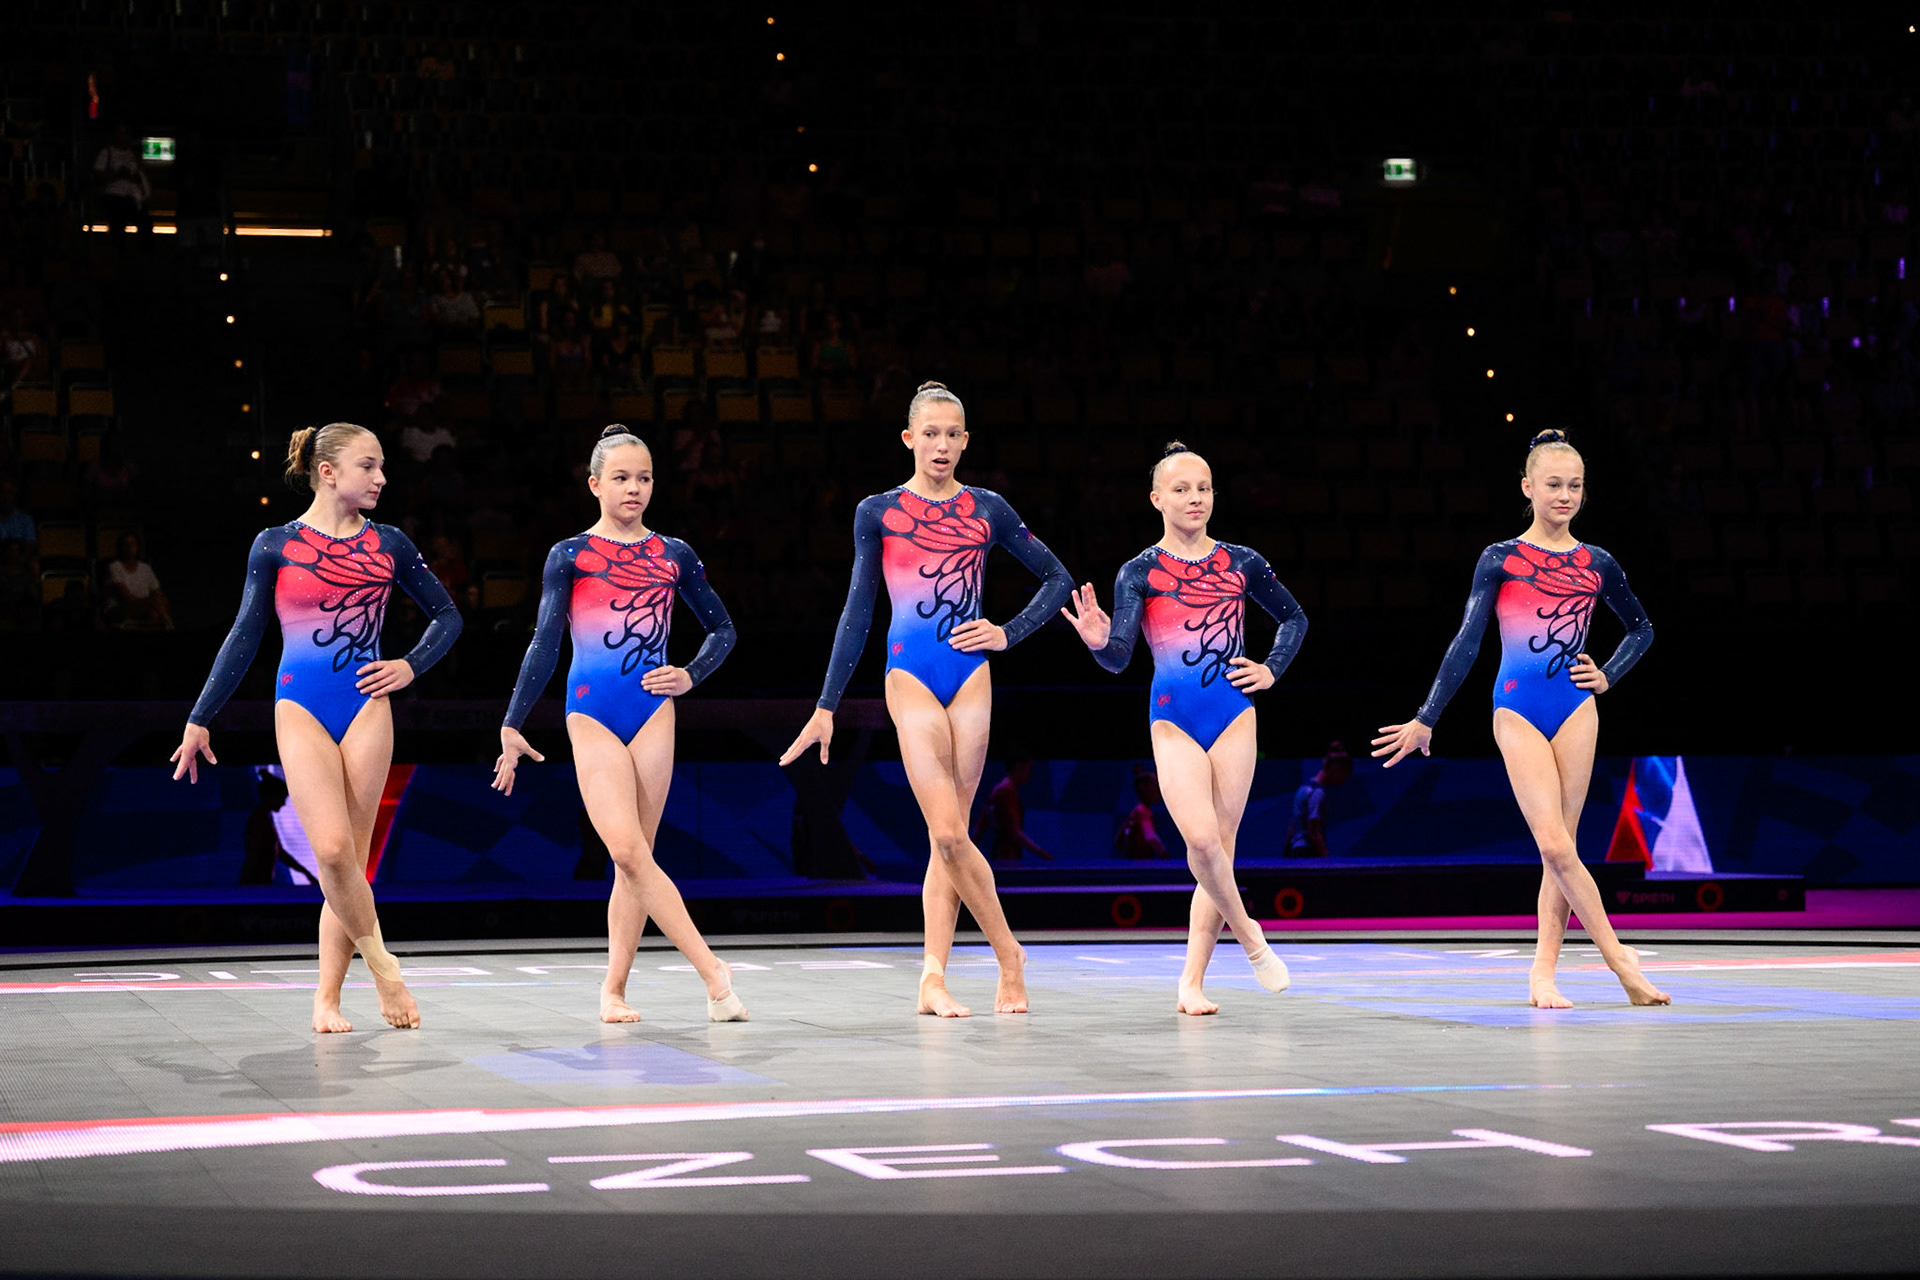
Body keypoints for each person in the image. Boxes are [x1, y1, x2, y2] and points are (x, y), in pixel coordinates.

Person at [780, 382, 1072, 1017]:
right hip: (909, 674)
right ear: (909, 439)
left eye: (953, 434)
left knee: (952, 838)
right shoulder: (877, 511)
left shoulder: (987, 508)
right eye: (930, 434)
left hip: (970, 675)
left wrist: (1006, 632)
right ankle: (1008, 954)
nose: (941, 445)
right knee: (945, 829)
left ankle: (933, 977)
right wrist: (826, 704)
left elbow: (1057, 579)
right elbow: (858, 611)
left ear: (966, 440)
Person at [172, 422, 462, 1033]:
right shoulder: (275, 544)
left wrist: (410, 666)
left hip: (367, 706)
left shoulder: (391, 544)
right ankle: (387, 971)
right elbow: (245, 635)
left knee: (351, 861)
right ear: (328, 472)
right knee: (330, 851)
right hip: (300, 703)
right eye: (369, 466)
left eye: (382, 466)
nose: (382, 478)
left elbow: (447, 616)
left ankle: (326, 1000)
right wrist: (200, 717)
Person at [1372, 429, 1668, 1009]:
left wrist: (1607, 674)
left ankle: (1542, 973)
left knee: (1562, 848)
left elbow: (1643, 628)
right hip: (1517, 709)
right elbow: (1466, 640)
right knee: (1556, 848)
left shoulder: (1597, 561)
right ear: (1528, 487)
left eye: (1575, 486)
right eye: (1553, 485)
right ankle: (1620, 962)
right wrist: (1427, 717)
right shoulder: (1500, 558)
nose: (1565, 495)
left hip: (1577, 709)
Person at [493, 424, 746, 1024]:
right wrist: (512, 721)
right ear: (594, 484)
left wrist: (691, 674)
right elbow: (544, 644)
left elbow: (724, 629)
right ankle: (714, 972)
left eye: (645, 478)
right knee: (628, 850)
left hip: (653, 710)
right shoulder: (571, 555)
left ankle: (613, 989)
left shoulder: (674, 554)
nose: (635, 489)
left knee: (637, 859)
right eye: (622, 478)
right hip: (591, 712)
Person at [1063, 441, 1307, 1016]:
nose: (1194, 498)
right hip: (1173, 716)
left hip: (1233, 714)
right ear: (1156, 499)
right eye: (1180, 489)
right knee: (1200, 842)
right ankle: (1252, 940)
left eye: (1202, 488)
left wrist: (1271, 670)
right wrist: (1099, 642)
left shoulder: (1243, 562)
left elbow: (1295, 617)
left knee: (1220, 849)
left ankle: (1191, 982)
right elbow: (1120, 655)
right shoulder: (1140, 571)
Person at [240, 770, 316, 886]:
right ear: (272, 797)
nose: (283, 804)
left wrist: (306, 873)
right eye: (282, 798)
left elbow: (278, 852)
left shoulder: (264, 820)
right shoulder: (259, 822)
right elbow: (260, 855)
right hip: (255, 882)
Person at [974, 750, 1052, 863]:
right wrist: (1042, 853)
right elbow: (1015, 833)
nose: (1030, 775)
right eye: (1029, 768)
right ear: (1018, 766)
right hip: (1007, 858)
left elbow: (980, 829)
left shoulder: (999, 790)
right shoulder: (1007, 792)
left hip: (1001, 855)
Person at [1284, 742, 1352, 858]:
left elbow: (1292, 828)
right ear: (1335, 769)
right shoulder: (1317, 793)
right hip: (1306, 853)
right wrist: (1326, 860)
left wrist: (1285, 856)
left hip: (1295, 852)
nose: (1343, 781)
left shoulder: (1302, 789)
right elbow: (1313, 829)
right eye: (1343, 775)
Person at [104, 532, 173, 630]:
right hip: (120, 608)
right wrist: (148, 602)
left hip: (143, 606)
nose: (129, 547)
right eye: (126, 544)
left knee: (155, 613)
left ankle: (166, 625)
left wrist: (150, 602)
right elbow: (125, 596)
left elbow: (156, 591)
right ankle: (169, 624)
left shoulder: (146, 568)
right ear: (121, 547)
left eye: (132, 543)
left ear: (137, 547)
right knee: (155, 601)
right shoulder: (114, 567)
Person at [1116, 765, 1169, 859]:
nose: (1158, 792)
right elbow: (1150, 836)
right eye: (1155, 788)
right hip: (1140, 860)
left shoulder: (1138, 811)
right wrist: (1163, 852)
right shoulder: (1142, 812)